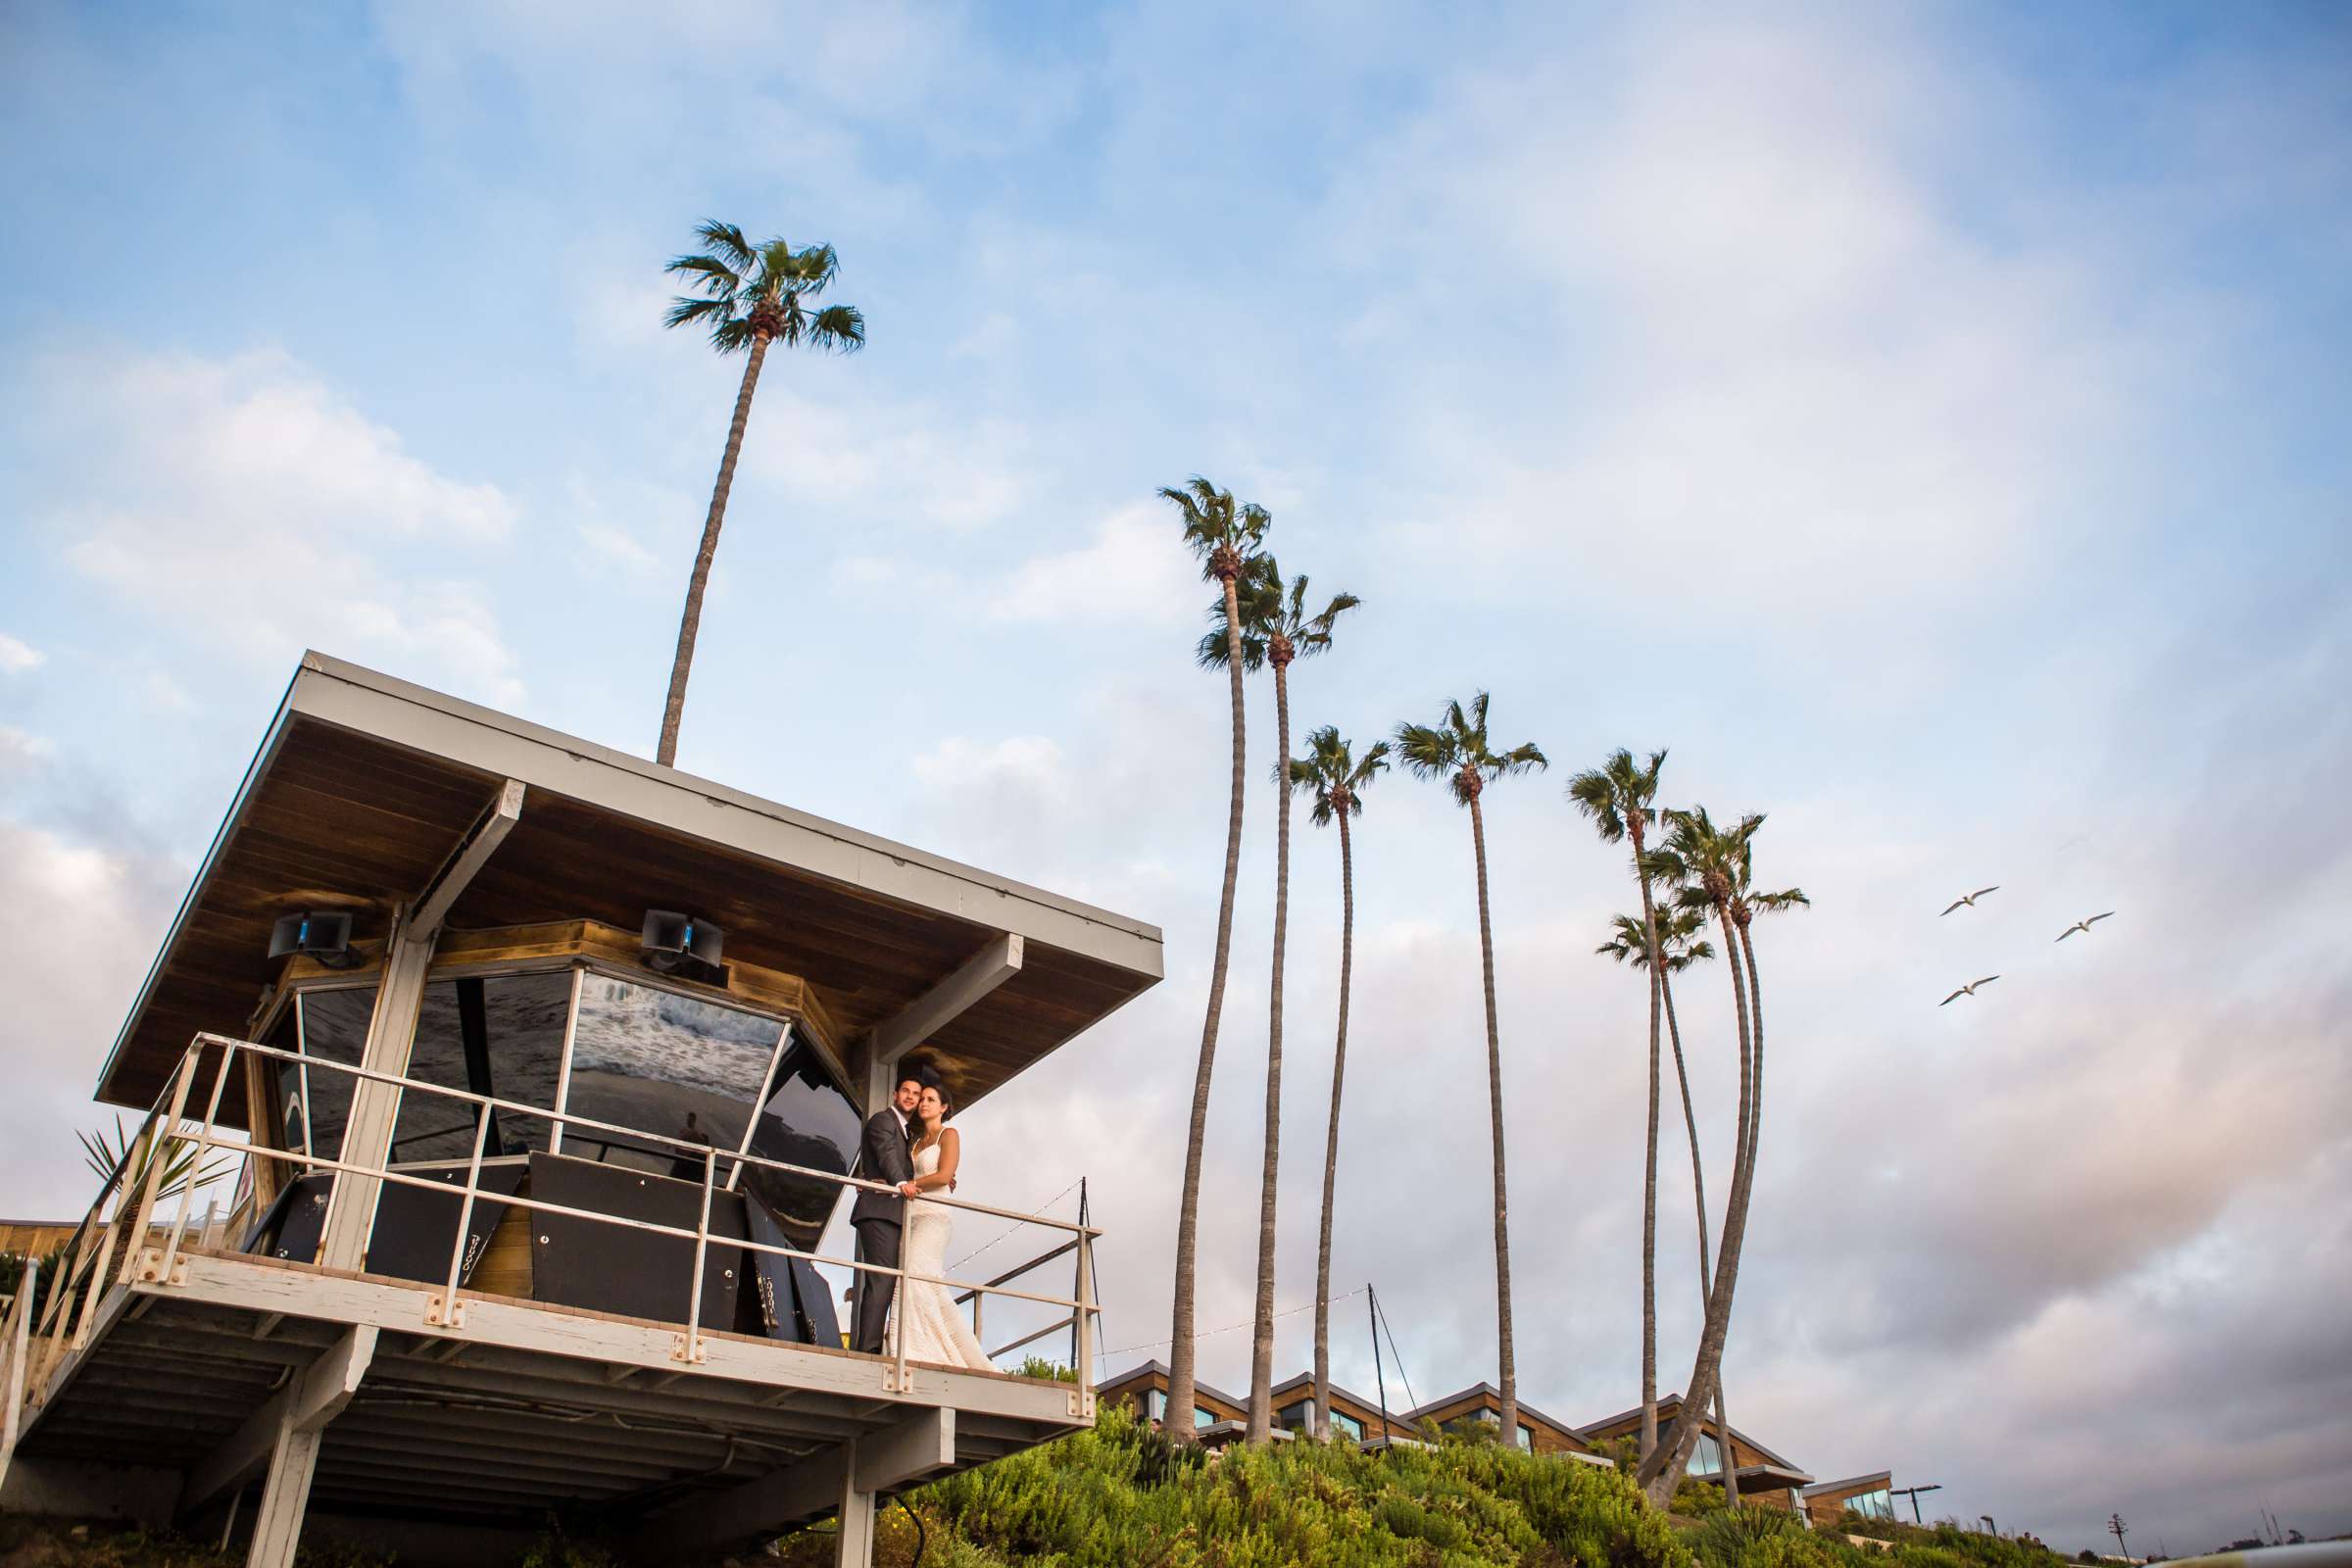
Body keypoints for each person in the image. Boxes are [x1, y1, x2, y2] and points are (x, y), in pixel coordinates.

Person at [886, 1080, 994, 1370]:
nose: (923, 1103)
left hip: (934, 1216)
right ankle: (915, 1343)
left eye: (931, 1100)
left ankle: (917, 1348)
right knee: (911, 1275)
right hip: (912, 1214)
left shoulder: (950, 1134)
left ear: (943, 1107)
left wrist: (911, 1184)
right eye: (922, 1099)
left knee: (919, 1272)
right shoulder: (916, 1141)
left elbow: (945, 1175)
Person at [849, 1068, 930, 1355]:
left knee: (889, 1282)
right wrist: (901, 1183)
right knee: (881, 1280)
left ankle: (878, 1346)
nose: (910, 1097)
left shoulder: (908, 1133)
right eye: (905, 1091)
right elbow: (885, 1156)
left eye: (915, 1094)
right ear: (895, 1094)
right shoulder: (883, 1121)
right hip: (879, 1209)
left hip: (894, 1213)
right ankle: (867, 1351)